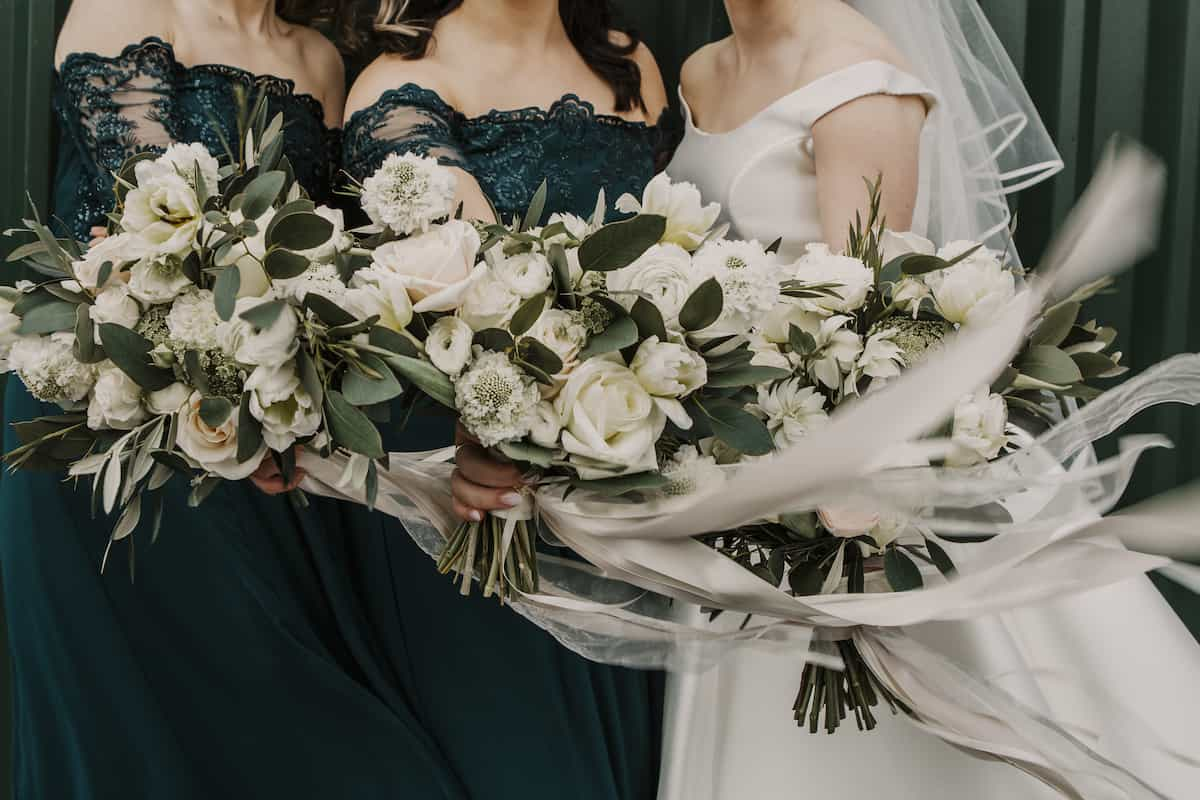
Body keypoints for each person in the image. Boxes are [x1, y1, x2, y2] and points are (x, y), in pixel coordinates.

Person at [661, 1, 1200, 797]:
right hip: (737, 457)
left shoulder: (860, 79)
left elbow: (875, 321)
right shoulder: (703, 68)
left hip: (841, 456)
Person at [0, 1, 465, 796]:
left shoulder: (320, 59)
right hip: (103, 439)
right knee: (127, 747)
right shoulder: (128, 13)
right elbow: (148, 234)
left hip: (256, 438)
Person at [340, 2, 669, 797]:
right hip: (487, 499)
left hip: (634, 495)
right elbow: (481, 304)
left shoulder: (633, 66)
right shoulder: (403, 87)